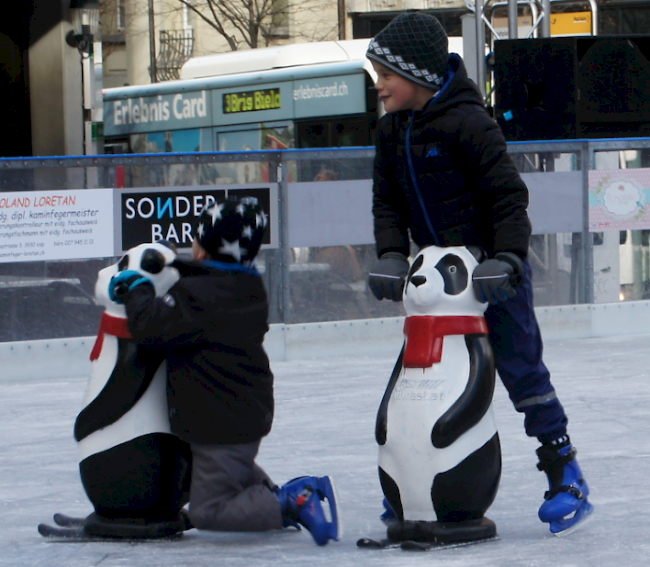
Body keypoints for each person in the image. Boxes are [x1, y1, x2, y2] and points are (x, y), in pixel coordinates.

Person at [365, 12, 593, 536]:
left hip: (491, 274)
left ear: (417, 74)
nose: (379, 86)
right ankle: (413, 481)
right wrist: (393, 254)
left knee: (519, 368)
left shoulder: (470, 123)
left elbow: (509, 198)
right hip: (438, 284)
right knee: (418, 377)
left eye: (386, 75)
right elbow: (387, 204)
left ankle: (564, 472)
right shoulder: (389, 131)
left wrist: (507, 260)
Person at [107, 195, 339, 546]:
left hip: (222, 422)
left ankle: (292, 502)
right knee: (233, 471)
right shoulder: (241, 288)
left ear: (203, 249)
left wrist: (136, 289)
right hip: (237, 413)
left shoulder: (201, 295)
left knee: (209, 508)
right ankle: (277, 494)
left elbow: (151, 326)